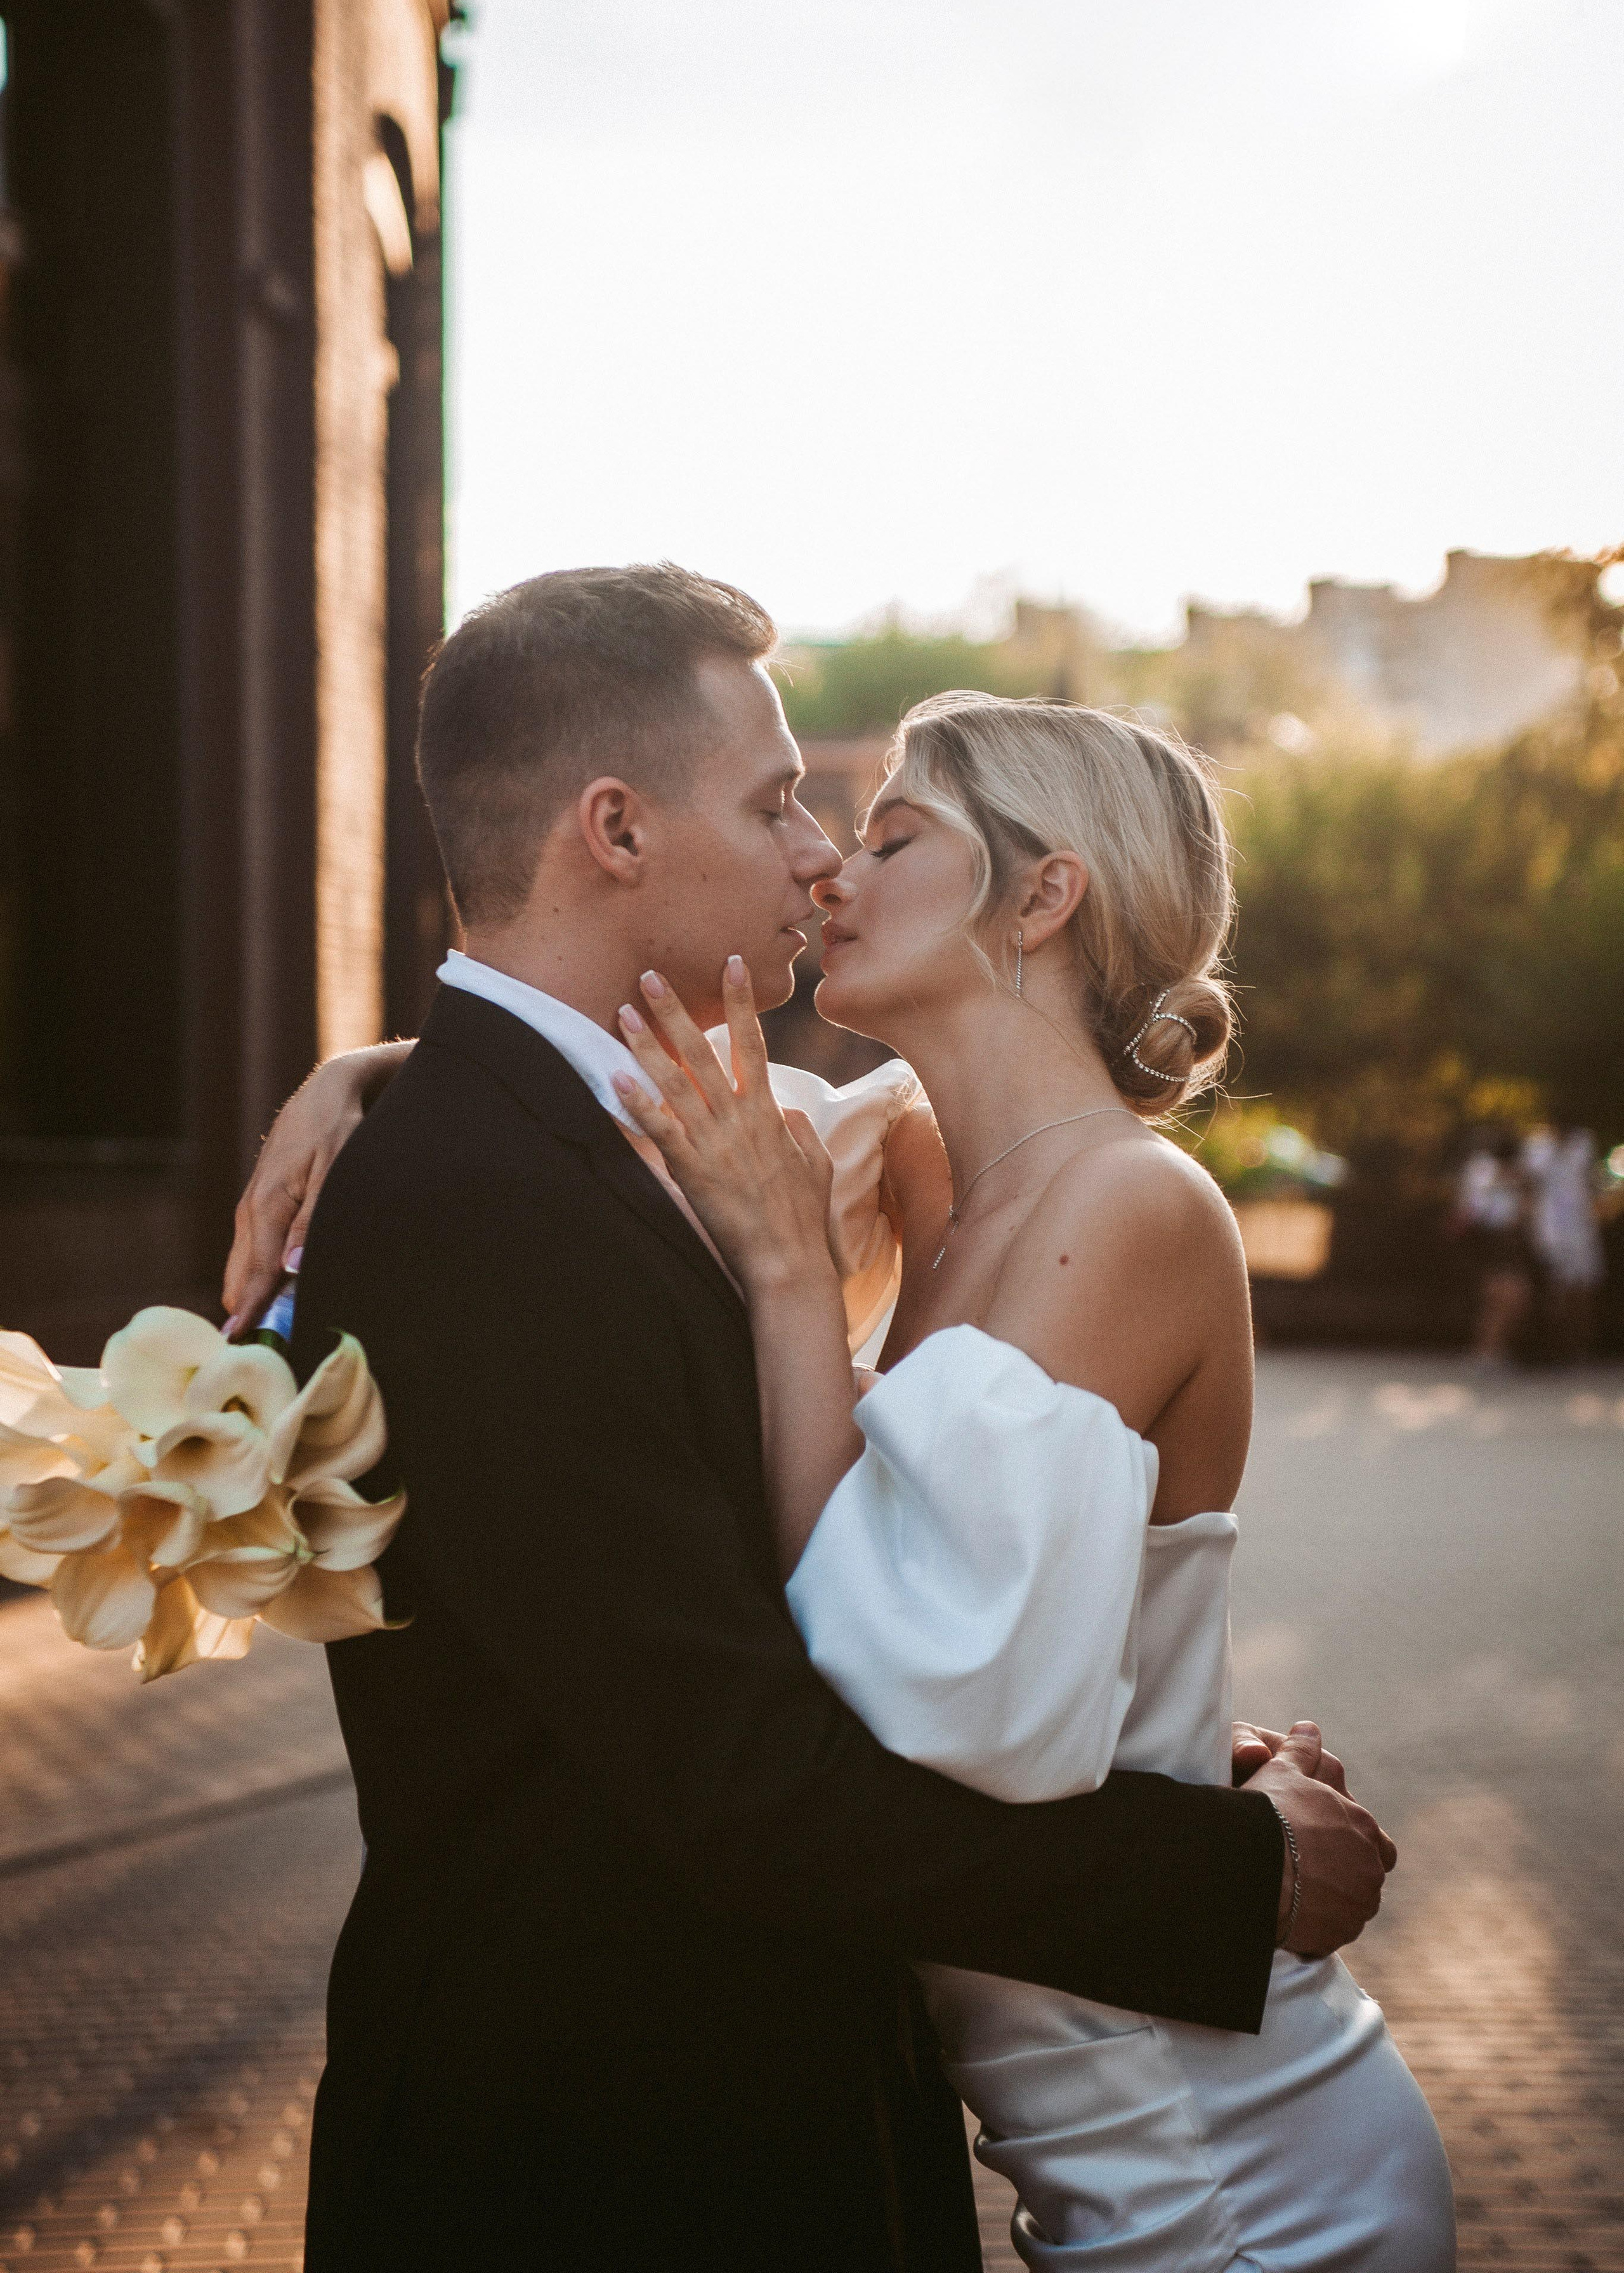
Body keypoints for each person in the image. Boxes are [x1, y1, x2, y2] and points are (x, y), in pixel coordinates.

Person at [226, 565, 1398, 2273]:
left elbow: (837, 1652)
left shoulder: (707, 1161)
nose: (821, 857)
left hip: (902, 2136)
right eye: (782, 802)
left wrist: (385, 1066)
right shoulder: (505, 1197)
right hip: (599, 2175)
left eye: (867, 826)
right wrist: (1219, 1869)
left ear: (1045, 896)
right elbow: (744, 1782)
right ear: (614, 831)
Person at [1523, 1125, 1606, 1363]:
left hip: (1581, 1229)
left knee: (1583, 1291)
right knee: (1555, 1289)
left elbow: (1593, 1182)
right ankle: (1554, 1350)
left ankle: (1580, 1351)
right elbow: (1530, 1185)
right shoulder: (1537, 1145)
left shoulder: (1584, 1141)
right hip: (1550, 1230)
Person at [1453, 1129, 1533, 1366]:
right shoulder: (1481, 1170)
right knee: (1500, 1297)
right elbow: (1473, 1206)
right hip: (1490, 1238)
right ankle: (1486, 1352)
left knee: (1512, 1298)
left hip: (1510, 1238)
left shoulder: (1519, 1174)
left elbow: (1526, 1207)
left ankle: (1493, 1349)